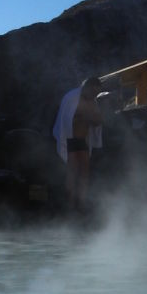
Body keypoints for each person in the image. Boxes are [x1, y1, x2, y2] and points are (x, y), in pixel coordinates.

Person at [53, 77, 104, 209]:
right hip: (70, 140)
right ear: (87, 88)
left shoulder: (92, 102)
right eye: (94, 92)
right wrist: (82, 117)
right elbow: (66, 119)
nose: (95, 95)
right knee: (72, 173)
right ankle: (70, 204)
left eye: (97, 93)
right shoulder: (71, 98)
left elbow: (98, 121)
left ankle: (81, 203)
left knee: (84, 174)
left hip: (82, 141)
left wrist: (91, 118)